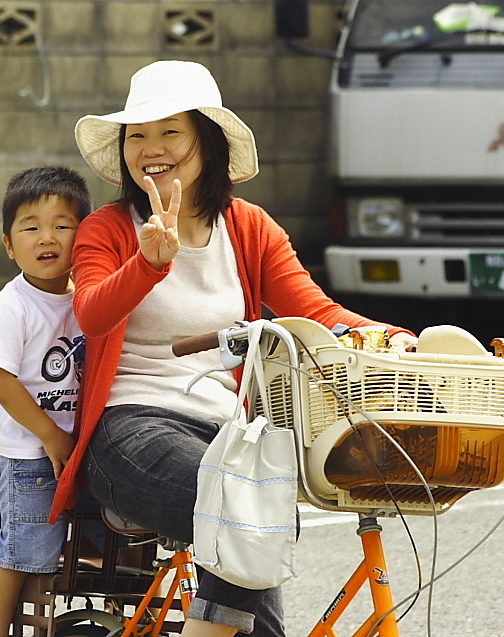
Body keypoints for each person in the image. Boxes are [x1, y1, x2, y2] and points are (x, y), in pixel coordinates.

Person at [51, 60, 418, 637]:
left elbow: (316, 313)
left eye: (171, 131)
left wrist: (399, 340)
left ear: (208, 141)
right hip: (128, 430)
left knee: (255, 514)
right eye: (138, 135)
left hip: (228, 432)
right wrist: (147, 263)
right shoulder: (108, 228)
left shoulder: (249, 227)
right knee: (243, 508)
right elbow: (92, 313)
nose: (152, 147)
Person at [0, 166, 93, 637]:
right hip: (30, 456)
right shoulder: (11, 306)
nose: (47, 237)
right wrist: (48, 434)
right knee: (22, 553)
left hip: (76, 449)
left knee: (71, 558)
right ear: (9, 244)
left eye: (62, 226)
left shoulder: (86, 297)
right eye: (31, 227)